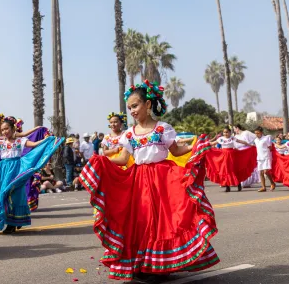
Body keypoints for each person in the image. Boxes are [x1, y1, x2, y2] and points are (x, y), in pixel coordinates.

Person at [78, 80, 218, 281]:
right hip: (138, 180)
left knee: (162, 223)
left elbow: (176, 150)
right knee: (141, 222)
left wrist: (196, 146)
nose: (132, 111)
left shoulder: (163, 128)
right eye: (129, 108)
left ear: (148, 105)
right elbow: (124, 159)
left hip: (163, 179)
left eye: (135, 106)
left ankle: (160, 265)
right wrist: (102, 162)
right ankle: (142, 263)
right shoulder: (129, 134)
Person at [0, 117, 63, 234]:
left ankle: (13, 223)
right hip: (3, 172)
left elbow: (34, 144)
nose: (4, 132)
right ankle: (11, 222)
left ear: (13, 129)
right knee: (3, 194)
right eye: (2, 130)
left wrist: (48, 140)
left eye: (6, 129)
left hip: (17, 170)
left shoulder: (20, 141)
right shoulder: (0, 143)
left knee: (15, 196)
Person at [205, 127, 257, 192]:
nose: (225, 133)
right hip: (223, 156)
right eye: (224, 132)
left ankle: (238, 185)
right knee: (225, 170)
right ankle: (227, 187)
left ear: (230, 132)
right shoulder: (220, 139)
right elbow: (212, 143)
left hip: (232, 155)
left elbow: (241, 141)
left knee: (234, 169)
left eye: (227, 132)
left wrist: (250, 145)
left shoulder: (232, 138)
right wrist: (204, 145)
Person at [233, 124, 260, 188]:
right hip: (239, 152)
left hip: (247, 151)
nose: (234, 130)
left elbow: (255, 137)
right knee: (241, 167)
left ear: (237, 128)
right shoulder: (235, 136)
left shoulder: (246, 133)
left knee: (247, 166)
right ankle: (242, 182)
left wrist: (252, 144)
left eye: (234, 129)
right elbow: (234, 144)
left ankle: (247, 182)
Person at [252, 126, 276, 192]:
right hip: (259, 157)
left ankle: (272, 183)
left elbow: (270, 148)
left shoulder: (266, 139)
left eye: (258, 133)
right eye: (255, 133)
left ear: (261, 132)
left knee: (266, 171)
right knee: (261, 172)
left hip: (266, 156)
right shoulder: (255, 140)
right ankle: (263, 187)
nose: (256, 135)